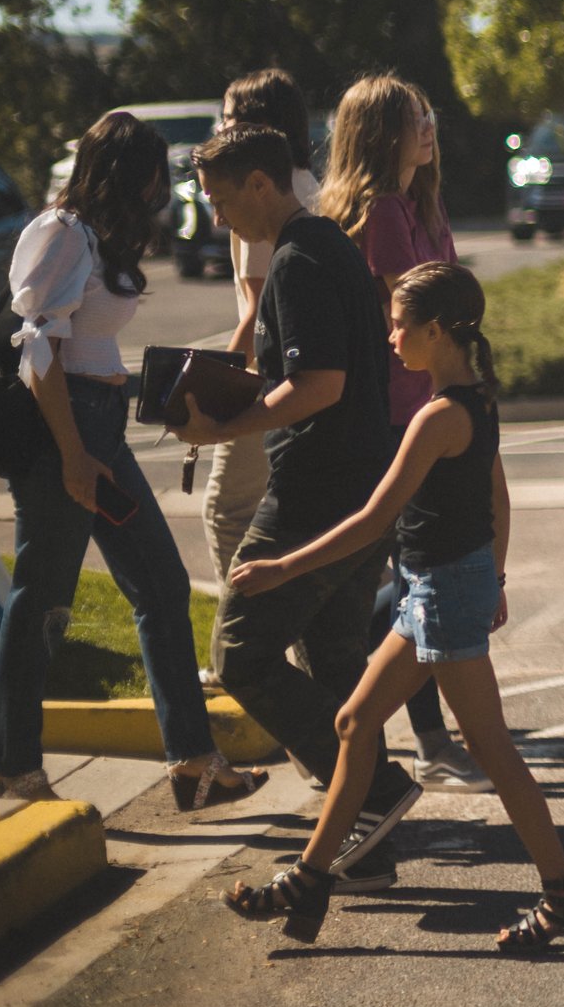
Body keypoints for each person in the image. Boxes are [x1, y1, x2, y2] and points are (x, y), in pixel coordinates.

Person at [222, 263, 564, 952]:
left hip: (444, 591)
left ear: (437, 329)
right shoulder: (476, 401)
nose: (390, 336)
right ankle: (310, 880)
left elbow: (373, 520)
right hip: (443, 586)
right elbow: (495, 499)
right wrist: (496, 577)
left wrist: (283, 566)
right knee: (355, 722)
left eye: (399, 324)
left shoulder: (439, 416)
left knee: (489, 747)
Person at [0, 113, 266, 811]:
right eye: (151, 177)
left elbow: (87, 346)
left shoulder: (93, 239)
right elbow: (38, 350)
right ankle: (16, 766)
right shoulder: (59, 232)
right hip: (66, 435)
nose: (157, 192)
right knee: (45, 599)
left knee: (162, 588)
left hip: (99, 427)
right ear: (128, 174)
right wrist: (74, 455)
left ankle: (193, 761)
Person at [179, 124, 420, 887]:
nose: (218, 218)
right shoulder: (324, 245)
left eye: (220, 199)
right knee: (333, 654)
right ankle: (371, 839)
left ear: (260, 182)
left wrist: (225, 424)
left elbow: (320, 383)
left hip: (316, 491)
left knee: (240, 654)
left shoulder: (297, 259)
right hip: (358, 484)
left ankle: (376, 792)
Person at [321, 75, 488, 793]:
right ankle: (425, 736)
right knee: (410, 571)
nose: (429, 127)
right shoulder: (385, 211)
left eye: (429, 115)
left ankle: (420, 732)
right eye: (415, 118)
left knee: (410, 574)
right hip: (399, 413)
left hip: (433, 405)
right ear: (382, 133)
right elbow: (416, 311)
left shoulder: (419, 201)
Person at [200, 69, 323, 586]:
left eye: (228, 118)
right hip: (297, 377)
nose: (220, 127)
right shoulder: (306, 184)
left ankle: (248, 647)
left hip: (264, 382)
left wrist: (212, 392)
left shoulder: (257, 196)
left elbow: (255, 315)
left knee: (227, 515)